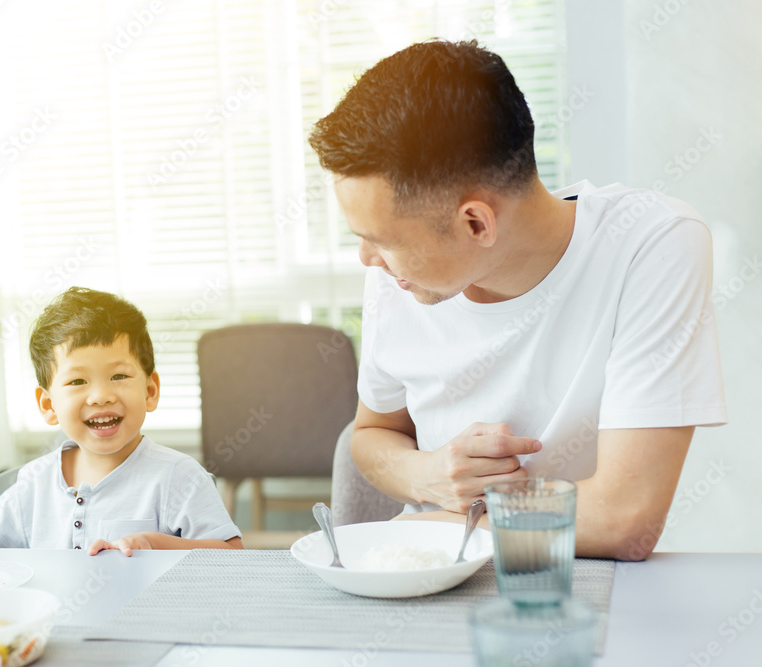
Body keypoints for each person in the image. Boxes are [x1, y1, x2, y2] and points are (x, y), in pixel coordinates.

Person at [307, 40, 726, 561]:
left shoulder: (652, 244)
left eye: (383, 241)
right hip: (426, 575)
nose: (368, 259)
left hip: (582, 580)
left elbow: (624, 519)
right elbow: (373, 433)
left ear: (476, 223)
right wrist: (428, 474)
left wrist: (449, 521)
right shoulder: (396, 277)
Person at [0, 287, 243, 555]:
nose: (101, 395)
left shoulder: (177, 477)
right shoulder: (35, 484)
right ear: (48, 404)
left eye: (118, 376)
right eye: (77, 382)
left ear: (150, 390)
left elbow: (232, 557)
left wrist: (154, 545)